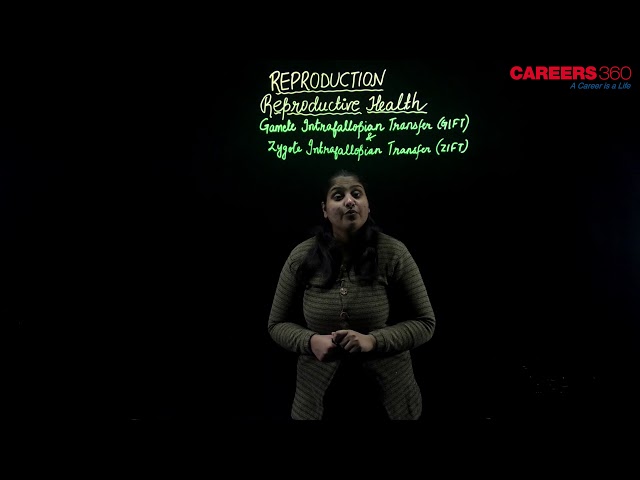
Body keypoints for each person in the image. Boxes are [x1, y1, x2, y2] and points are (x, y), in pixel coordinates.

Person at [267, 169, 436, 421]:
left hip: (391, 400)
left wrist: (373, 341)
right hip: (316, 400)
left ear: (368, 205)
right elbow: (276, 324)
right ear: (325, 209)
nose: (349, 201)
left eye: (357, 194)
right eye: (338, 196)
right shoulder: (301, 256)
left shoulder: (394, 252)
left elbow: (426, 323)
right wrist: (310, 341)